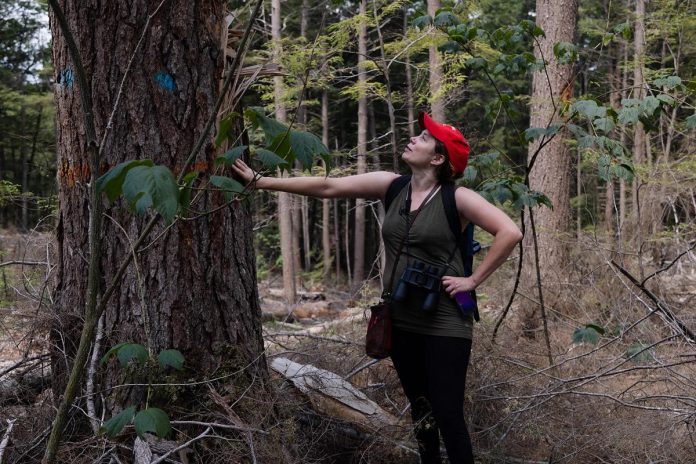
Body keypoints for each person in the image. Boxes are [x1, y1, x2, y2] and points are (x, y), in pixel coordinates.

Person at [231, 112, 523, 464]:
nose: (414, 138)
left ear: (438, 158)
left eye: (424, 138)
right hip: (401, 317)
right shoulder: (392, 185)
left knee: (448, 414)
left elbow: (510, 232)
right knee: (421, 411)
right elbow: (328, 187)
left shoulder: (457, 198)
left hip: (444, 321)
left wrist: (473, 280)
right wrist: (262, 182)